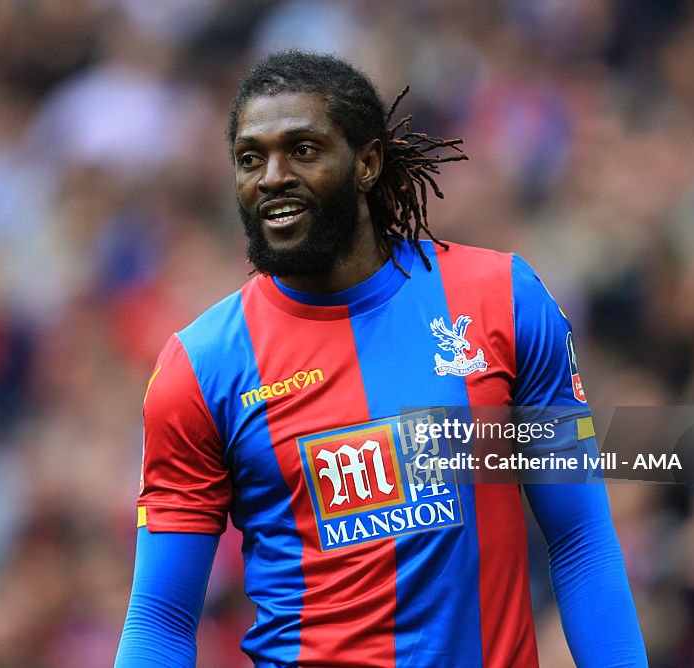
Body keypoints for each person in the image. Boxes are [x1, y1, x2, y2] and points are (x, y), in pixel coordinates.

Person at [115, 50, 647, 667]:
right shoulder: (200, 368)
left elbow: (581, 541)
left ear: (367, 163)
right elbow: (161, 618)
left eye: (304, 150)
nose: (272, 177)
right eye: (249, 158)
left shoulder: (502, 298)